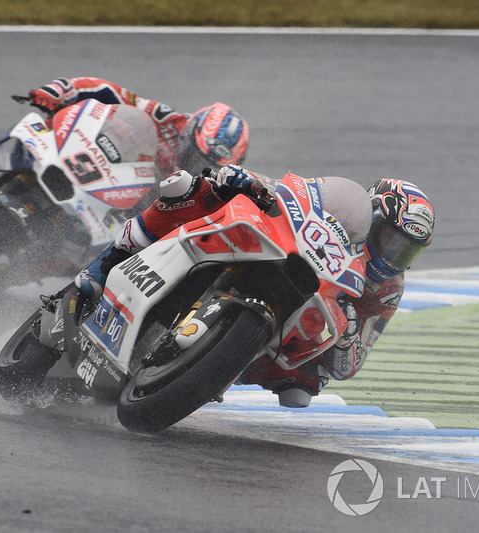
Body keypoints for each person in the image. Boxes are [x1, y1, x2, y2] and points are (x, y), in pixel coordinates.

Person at [76, 166, 436, 408]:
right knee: (189, 191)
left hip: (292, 327)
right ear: (371, 217)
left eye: (406, 250)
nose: (393, 255)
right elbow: (282, 193)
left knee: (302, 390)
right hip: (273, 256)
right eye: (390, 239)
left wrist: (350, 331)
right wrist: (241, 179)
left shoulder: (386, 288)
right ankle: (102, 267)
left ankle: (213, 365)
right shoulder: (336, 213)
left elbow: (349, 367)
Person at [0, 77, 250, 217]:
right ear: (190, 131)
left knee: (83, 262)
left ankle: (11, 273)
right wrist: (60, 91)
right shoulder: (167, 118)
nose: (196, 165)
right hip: (93, 167)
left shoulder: (209, 189)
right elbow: (108, 91)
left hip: (116, 215)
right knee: (24, 159)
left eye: (206, 164)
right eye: (196, 154)